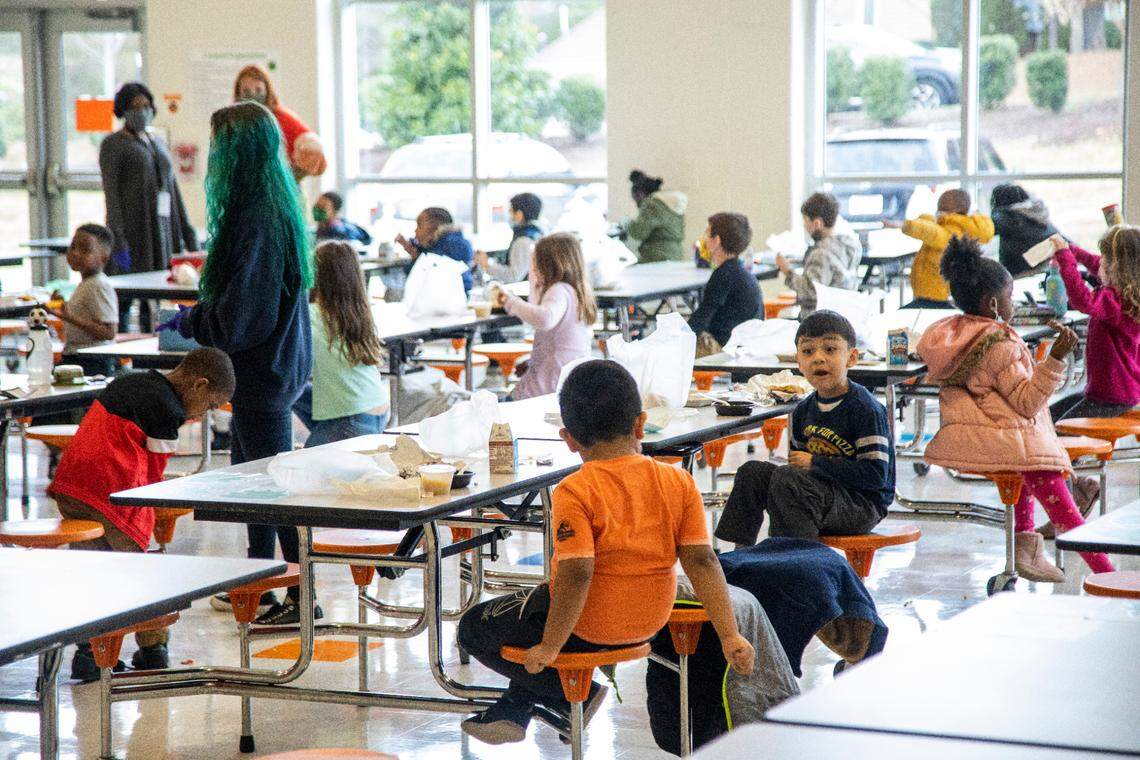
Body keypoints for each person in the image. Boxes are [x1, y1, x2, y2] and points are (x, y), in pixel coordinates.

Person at [456, 359, 754, 745]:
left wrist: (550, 646)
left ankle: (562, 693)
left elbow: (578, 573)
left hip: (588, 624)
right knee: (537, 610)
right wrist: (729, 634)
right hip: (651, 618)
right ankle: (519, 706)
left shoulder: (574, 490)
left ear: (568, 438)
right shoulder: (678, 481)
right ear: (641, 423)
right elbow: (703, 560)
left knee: (473, 627)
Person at [161, 101, 315, 624]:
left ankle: (301, 594)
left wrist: (195, 323)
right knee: (252, 476)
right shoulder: (273, 205)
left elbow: (243, 318)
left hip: (263, 369)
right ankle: (264, 580)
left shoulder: (256, 219)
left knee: (273, 486)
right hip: (270, 368)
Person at [916, 236, 1115, 581]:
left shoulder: (956, 334)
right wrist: (1054, 359)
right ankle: (1112, 576)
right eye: (1009, 298)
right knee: (1069, 517)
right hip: (1010, 438)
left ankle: (1026, 544)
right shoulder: (1000, 344)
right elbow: (1027, 402)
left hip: (989, 437)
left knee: (1026, 469)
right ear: (993, 303)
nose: (1013, 305)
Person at [50, 348, 235, 681]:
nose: (203, 415)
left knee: (90, 567)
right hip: (110, 494)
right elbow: (152, 479)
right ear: (198, 384)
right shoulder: (168, 410)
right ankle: (152, 649)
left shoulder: (131, 381)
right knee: (144, 571)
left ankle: (88, 653)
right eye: (209, 406)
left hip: (72, 485)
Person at [714, 311, 894, 547]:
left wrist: (816, 464)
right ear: (798, 362)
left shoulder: (864, 408)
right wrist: (807, 468)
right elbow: (798, 469)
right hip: (820, 494)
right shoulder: (803, 410)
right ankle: (740, 556)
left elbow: (876, 476)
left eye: (830, 350)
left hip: (861, 504)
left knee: (788, 478)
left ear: (851, 358)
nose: (818, 358)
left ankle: (796, 562)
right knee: (753, 472)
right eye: (808, 351)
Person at [1043, 225, 1140, 535]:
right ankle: (1079, 489)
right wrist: (1071, 249)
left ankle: (1070, 506)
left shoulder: (1117, 302)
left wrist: (1064, 258)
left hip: (1110, 398)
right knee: (1045, 423)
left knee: (1052, 443)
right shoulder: (1127, 296)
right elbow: (1093, 263)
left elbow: (1082, 299)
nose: (1100, 265)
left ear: (1118, 266)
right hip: (1105, 393)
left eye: (1106, 260)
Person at [100, 82, 198, 330]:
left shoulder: (156, 141)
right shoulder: (114, 144)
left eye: (146, 106)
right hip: (133, 232)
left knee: (156, 296)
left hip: (160, 231)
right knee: (127, 296)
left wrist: (187, 232)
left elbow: (172, 189)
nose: (142, 111)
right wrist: (118, 240)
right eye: (135, 107)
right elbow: (111, 194)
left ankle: (150, 339)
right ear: (123, 109)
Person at [293, 241, 389, 446]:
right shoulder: (358, 312)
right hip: (377, 409)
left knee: (305, 470)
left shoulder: (310, 315)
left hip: (351, 419)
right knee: (293, 393)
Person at [494, 233, 596, 399]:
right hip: (568, 378)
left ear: (547, 265)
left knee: (503, 411)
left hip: (546, 384)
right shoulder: (577, 291)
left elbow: (545, 318)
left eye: (535, 264)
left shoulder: (558, 289)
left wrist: (512, 303)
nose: (532, 270)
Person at [888, 189, 994, 308]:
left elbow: (929, 231)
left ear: (956, 209)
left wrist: (905, 225)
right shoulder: (952, 226)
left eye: (943, 206)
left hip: (936, 296)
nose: (939, 209)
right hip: (934, 293)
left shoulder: (951, 230)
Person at [687, 212, 763, 356]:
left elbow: (702, 318)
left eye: (707, 234)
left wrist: (676, 340)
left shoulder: (723, 274)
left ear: (716, 241)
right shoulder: (742, 272)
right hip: (747, 345)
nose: (704, 239)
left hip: (726, 348)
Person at [233, 64, 326, 181]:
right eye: (246, 91)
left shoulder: (280, 117)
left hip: (279, 189)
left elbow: (315, 150)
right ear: (239, 93)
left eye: (258, 90)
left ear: (267, 91)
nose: (253, 95)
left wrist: (290, 178)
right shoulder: (234, 123)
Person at [776, 193, 862, 318]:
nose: (805, 226)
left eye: (806, 221)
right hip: (842, 316)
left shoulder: (821, 254)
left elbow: (811, 292)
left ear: (817, 223)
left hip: (818, 321)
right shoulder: (850, 246)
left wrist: (788, 272)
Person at [49, 224, 118, 378]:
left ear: (104, 257)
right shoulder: (87, 283)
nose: (75, 253)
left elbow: (109, 332)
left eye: (85, 249)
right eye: (72, 247)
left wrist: (68, 317)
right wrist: (63, 306)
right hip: (77, 356)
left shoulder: (98, 285)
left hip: (92, 360)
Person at [395, 207, 475, 292]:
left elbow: (421, 278)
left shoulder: (450, 246)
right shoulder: (446, 243)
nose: (415, 231)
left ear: (433, 226)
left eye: (419, 225)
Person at [990, 183, 1060, 278]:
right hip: (1049, 264)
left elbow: (984, 230)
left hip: (1023, 271)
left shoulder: (1006, 215)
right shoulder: (1034, 211)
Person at [475, 192, 543, 283]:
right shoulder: (536, 233)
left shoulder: (523, 241)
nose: (509, 215)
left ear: (519, 214)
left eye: (511, 211)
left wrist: (487, 265)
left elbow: (514, 276)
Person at [623, 170, 688, 263]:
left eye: (636, 200)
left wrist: (625, 222)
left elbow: (638, 232)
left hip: (657, 256)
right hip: (675, 254)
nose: (637, 205)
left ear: (640, 194)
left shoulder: (651, 204)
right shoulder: (670, 203)